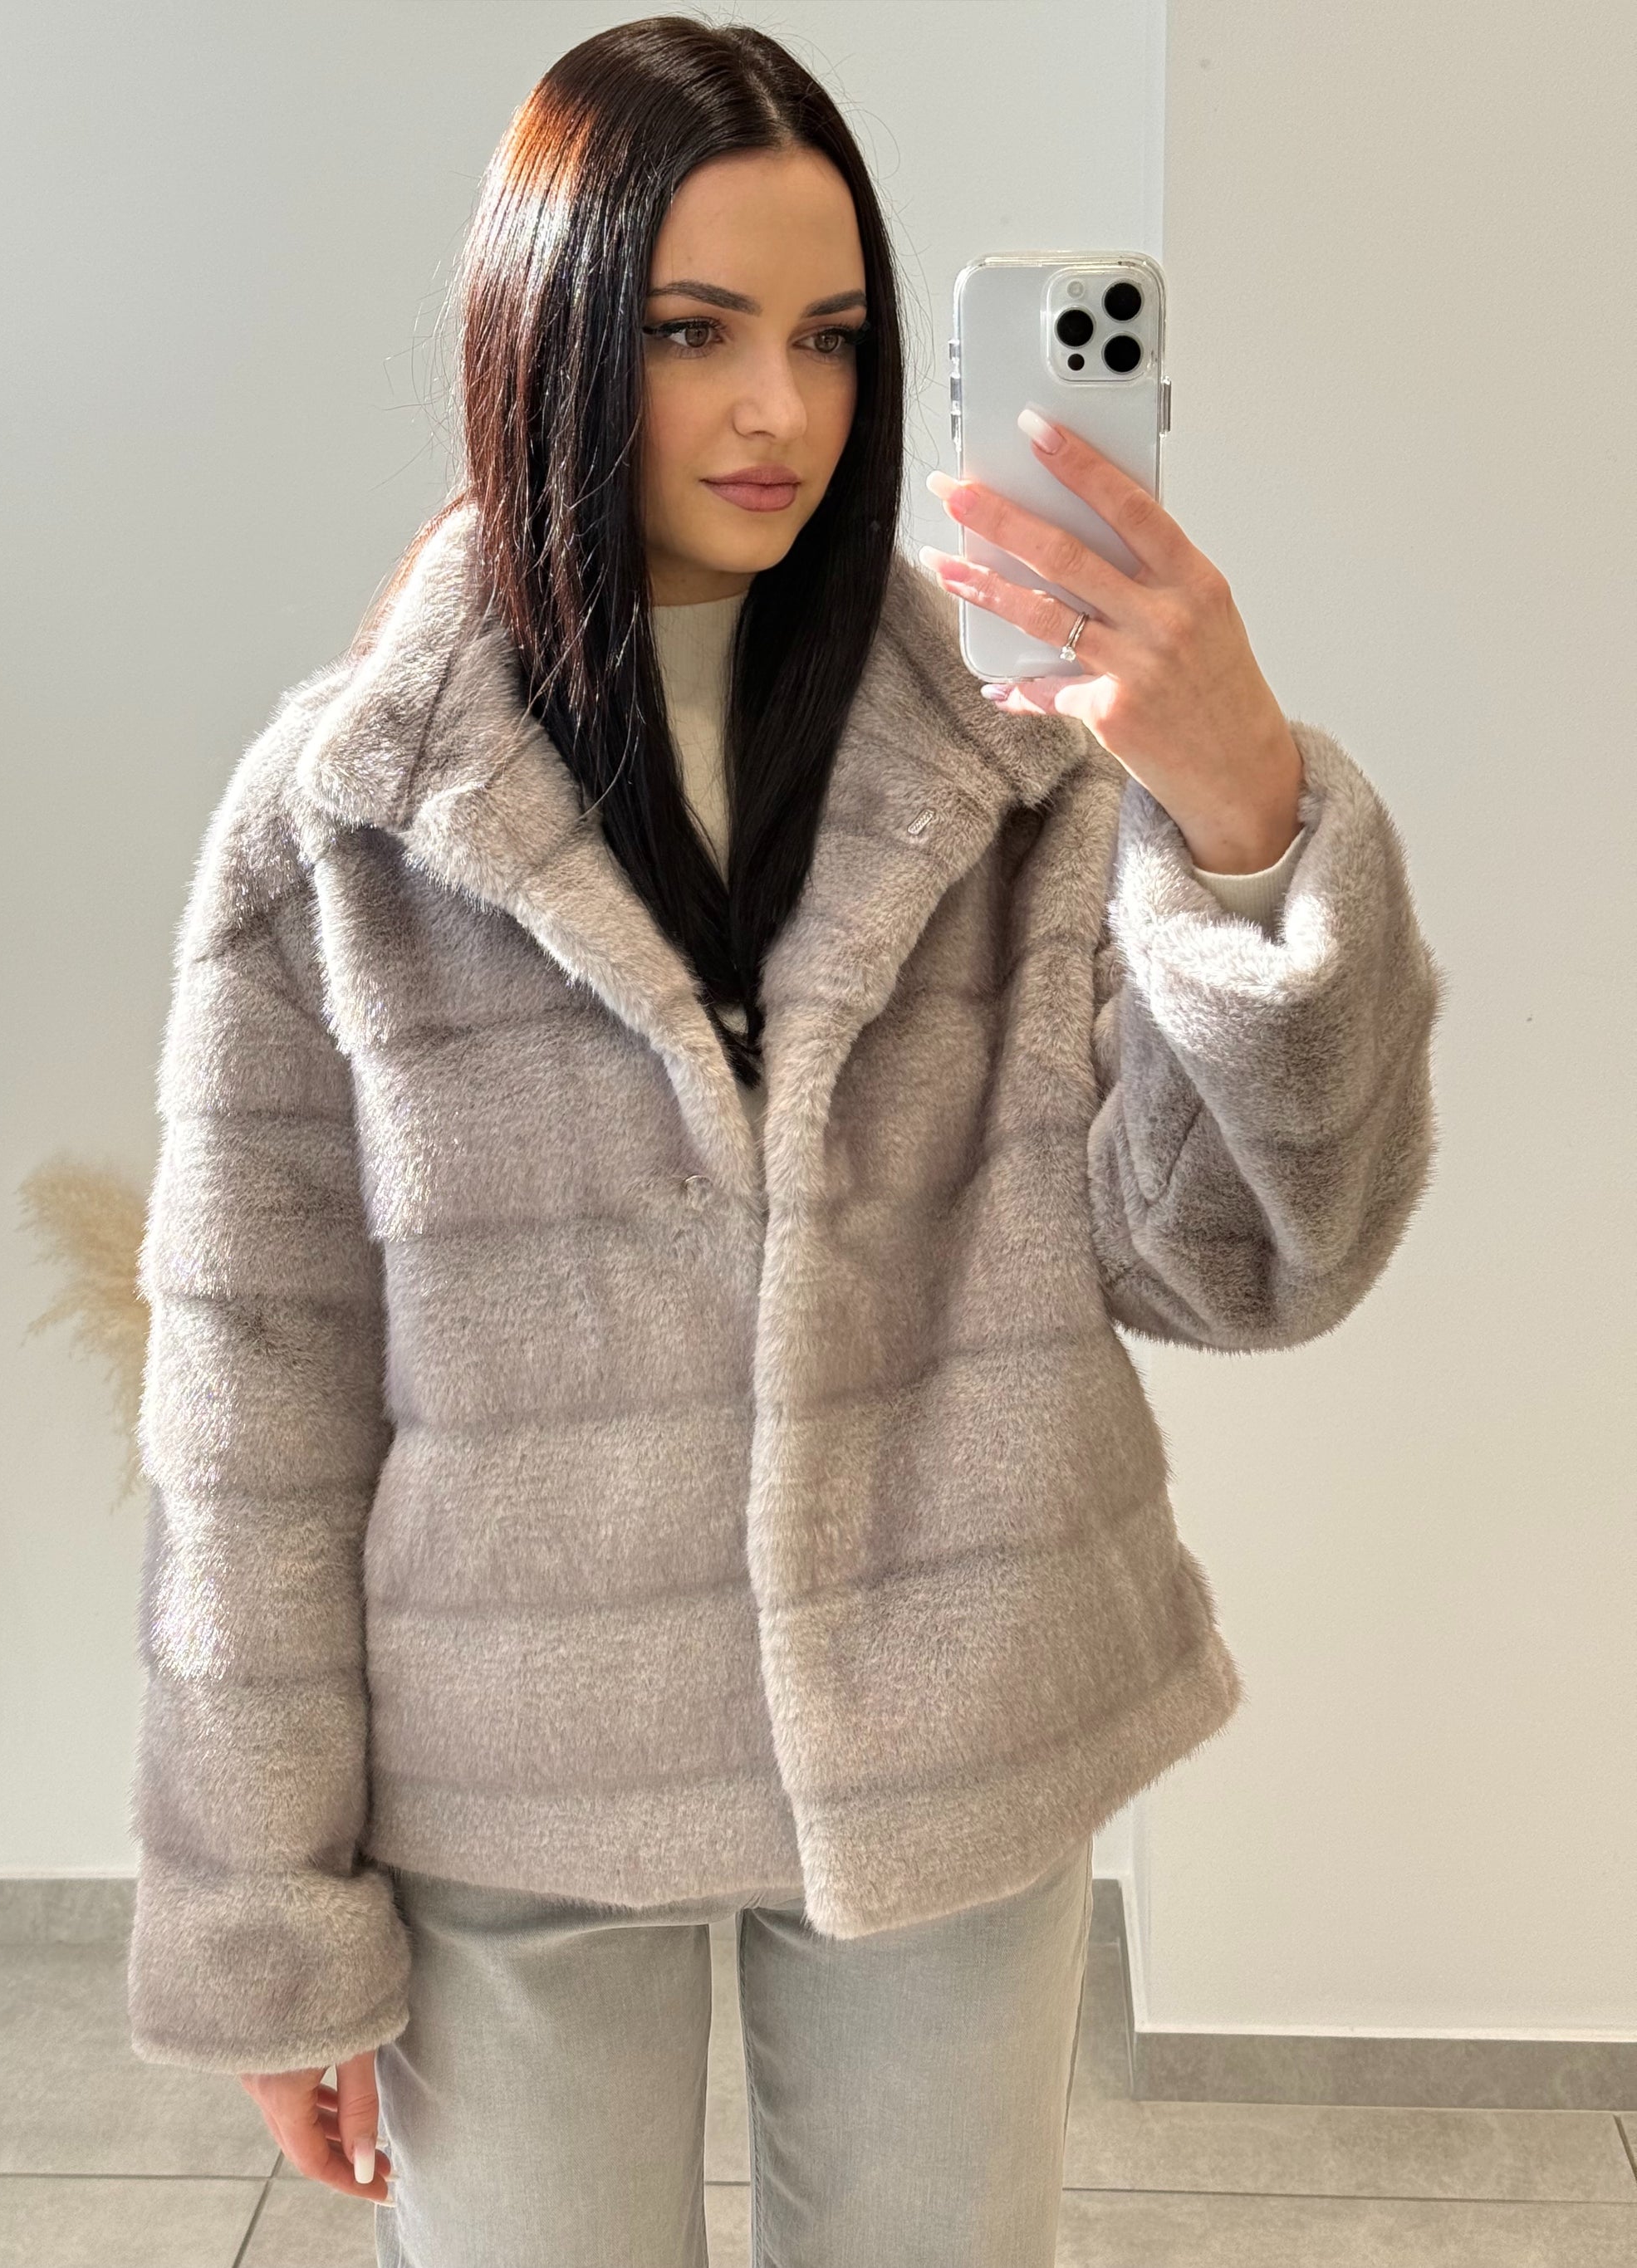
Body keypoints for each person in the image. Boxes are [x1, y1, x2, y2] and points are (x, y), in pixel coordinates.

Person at [124, 17, 1443, 2266]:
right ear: (548, 335)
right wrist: (269, 1914)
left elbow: (1241, 1262)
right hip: (514, 1760)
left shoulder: (1016, 764)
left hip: (953, 1716)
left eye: (831, 338)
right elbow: (252, 1394)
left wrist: (1244, 825)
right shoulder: (347, 816)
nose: (779, 411)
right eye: (693, 331)